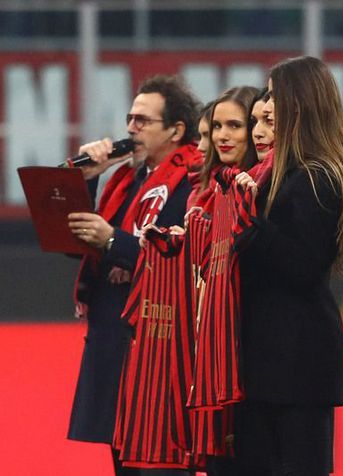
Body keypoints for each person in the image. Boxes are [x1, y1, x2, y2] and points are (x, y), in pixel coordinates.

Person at [232, 55, 343, 476]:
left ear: (300, 103)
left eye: (275, 95)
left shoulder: (316, 176)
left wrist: (247, 225)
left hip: (296, 365)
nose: (266, 106)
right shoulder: (278, 174)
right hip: (269, 361)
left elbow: (303, 266)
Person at [66, 75, 202, 475]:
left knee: (162, 467)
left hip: (158, 348)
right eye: (130, 118)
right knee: (122, 465)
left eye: (143, 120)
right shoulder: (125, 181)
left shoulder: (194, 179)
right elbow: (72, 245)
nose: (130, 129)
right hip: (116, 341)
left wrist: (115, 242)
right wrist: (87, 181)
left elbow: (185, 258)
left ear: (176, 130)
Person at [249, 88, 275, 163]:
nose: (257, 133)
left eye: (268, 120)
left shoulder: (303, 172)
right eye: (254, 122)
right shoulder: (248, 173)